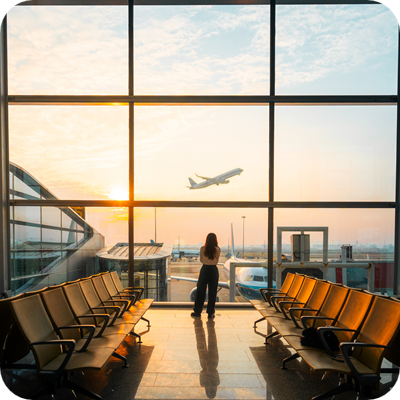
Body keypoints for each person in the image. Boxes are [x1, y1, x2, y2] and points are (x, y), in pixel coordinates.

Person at [191, 233, 221, 319]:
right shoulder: (217, 249)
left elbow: (201, 260)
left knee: (200, 291)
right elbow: (217, 260)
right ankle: (210, 313)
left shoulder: (202, 249)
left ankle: (197, 311)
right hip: (213, 270)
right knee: (212, 292)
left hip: (204, 270)